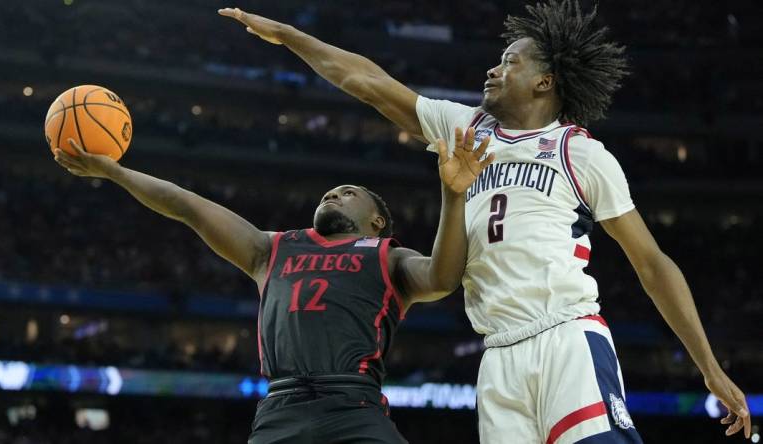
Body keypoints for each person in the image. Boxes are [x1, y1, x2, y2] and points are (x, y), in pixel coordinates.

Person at [218, 0, 752, 442]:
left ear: (546, 81)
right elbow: (366, 81)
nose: (494, 69)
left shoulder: (581, 154)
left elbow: (653, 265)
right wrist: (291, 36)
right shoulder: (464, 128)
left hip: (564, 333)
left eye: (510, 61)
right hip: (496, 356)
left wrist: (708, 366)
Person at [53, 129, 493, 444]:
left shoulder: (387, 256)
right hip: (281, 410)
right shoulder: (271, 248)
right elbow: (186, 206)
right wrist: (116, 173)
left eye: (348, 192)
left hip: (353, 409)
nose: (332, 195)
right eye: (329, 192)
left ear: (377, 221)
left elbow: (442, 277)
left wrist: (453, 196)